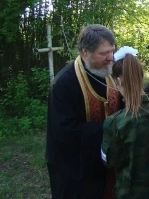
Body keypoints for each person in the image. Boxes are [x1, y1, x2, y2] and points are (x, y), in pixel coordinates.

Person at [46, 24, 122, 199]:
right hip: (77, 167)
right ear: (85, 52)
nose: (111, 58)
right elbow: (64, 131)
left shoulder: (110, 72)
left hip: (109, 163)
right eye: (104, 53)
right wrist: (111, 126)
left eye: (112, 50)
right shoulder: (64, 84)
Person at [101, 46, 149, 199]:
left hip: (131, 193)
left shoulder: (114, 123)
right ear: (141, 76)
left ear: (118, 80)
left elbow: (110, 161)